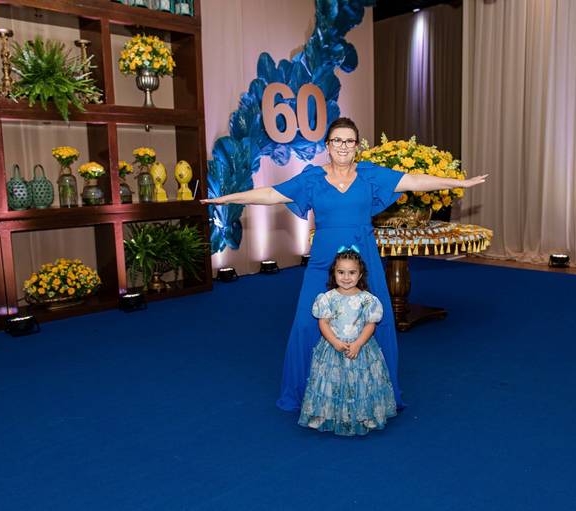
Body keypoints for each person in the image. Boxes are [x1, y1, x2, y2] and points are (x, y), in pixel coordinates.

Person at [202, 117, 487, 412]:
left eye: (349, 141)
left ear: (356, 146)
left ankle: (379, 389)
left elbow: (413, 181)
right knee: (307, 322)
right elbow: (272, 193)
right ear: (327, 145)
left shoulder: (370, 175)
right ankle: (303, 390)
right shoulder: (312, 179)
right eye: (337, 140)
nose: (342, 146)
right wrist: (227, 199)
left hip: (364, 257)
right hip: (324, 259)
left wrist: (459, 183)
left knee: (377, 319)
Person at [298, 246, 396, 436]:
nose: (346, 277)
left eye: (352, 272)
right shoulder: (327, 299)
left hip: (361, 347)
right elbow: (323, 322)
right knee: (329, 382)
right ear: (334, 273)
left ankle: (364, 414)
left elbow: (370, 325)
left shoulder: (367, 300)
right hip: (333, 347)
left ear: (360, 275)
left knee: (362, 382)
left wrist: (358, 343)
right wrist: (334, 341)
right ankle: (324, 413)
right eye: (341, 272)